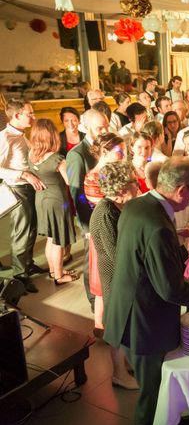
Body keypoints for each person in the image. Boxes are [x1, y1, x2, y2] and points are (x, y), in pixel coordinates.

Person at [104, 158, 189, 425]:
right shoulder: (158, 226)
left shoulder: (138, 205)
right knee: (152, 386)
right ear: (181, 189)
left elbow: (144, 261)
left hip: (133, 306)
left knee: (156, 380)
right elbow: (169, 290)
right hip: (143, 318)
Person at [89, 161, 139, 390]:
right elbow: (117, 252)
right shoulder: (106, 212)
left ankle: (125, 364)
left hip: (120, 275)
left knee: (125, 322)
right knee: (117, 324)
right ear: (120, 188)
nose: (137, 184)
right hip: (114, 277)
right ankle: (118, 374)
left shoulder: (117, 207)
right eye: (132, 181)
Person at [67, 109, 109, 307]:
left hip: (106, 213)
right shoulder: (76, 154)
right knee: (91, 259)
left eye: (106, 126)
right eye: (100, 127)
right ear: (88, 127)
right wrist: (87, 226)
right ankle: (93, 299)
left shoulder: (103, 148)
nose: (104, 130)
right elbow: (77, 194)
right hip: (91, 218)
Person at [28, 119, 77, 285]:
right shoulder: (57, 159)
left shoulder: (32, 155)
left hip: (41, 199)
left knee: (50, 238)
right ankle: (59, 276)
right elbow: (70, 181)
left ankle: (54, 270)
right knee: (58, 240)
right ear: (52, 136)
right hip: (56, 200)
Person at [83, 133, 127, 207]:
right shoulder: (92, 180)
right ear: (104, 151)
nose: (123, 156)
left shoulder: (116, 172)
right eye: (119, 151)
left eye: (124, 151)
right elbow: (105, 208)